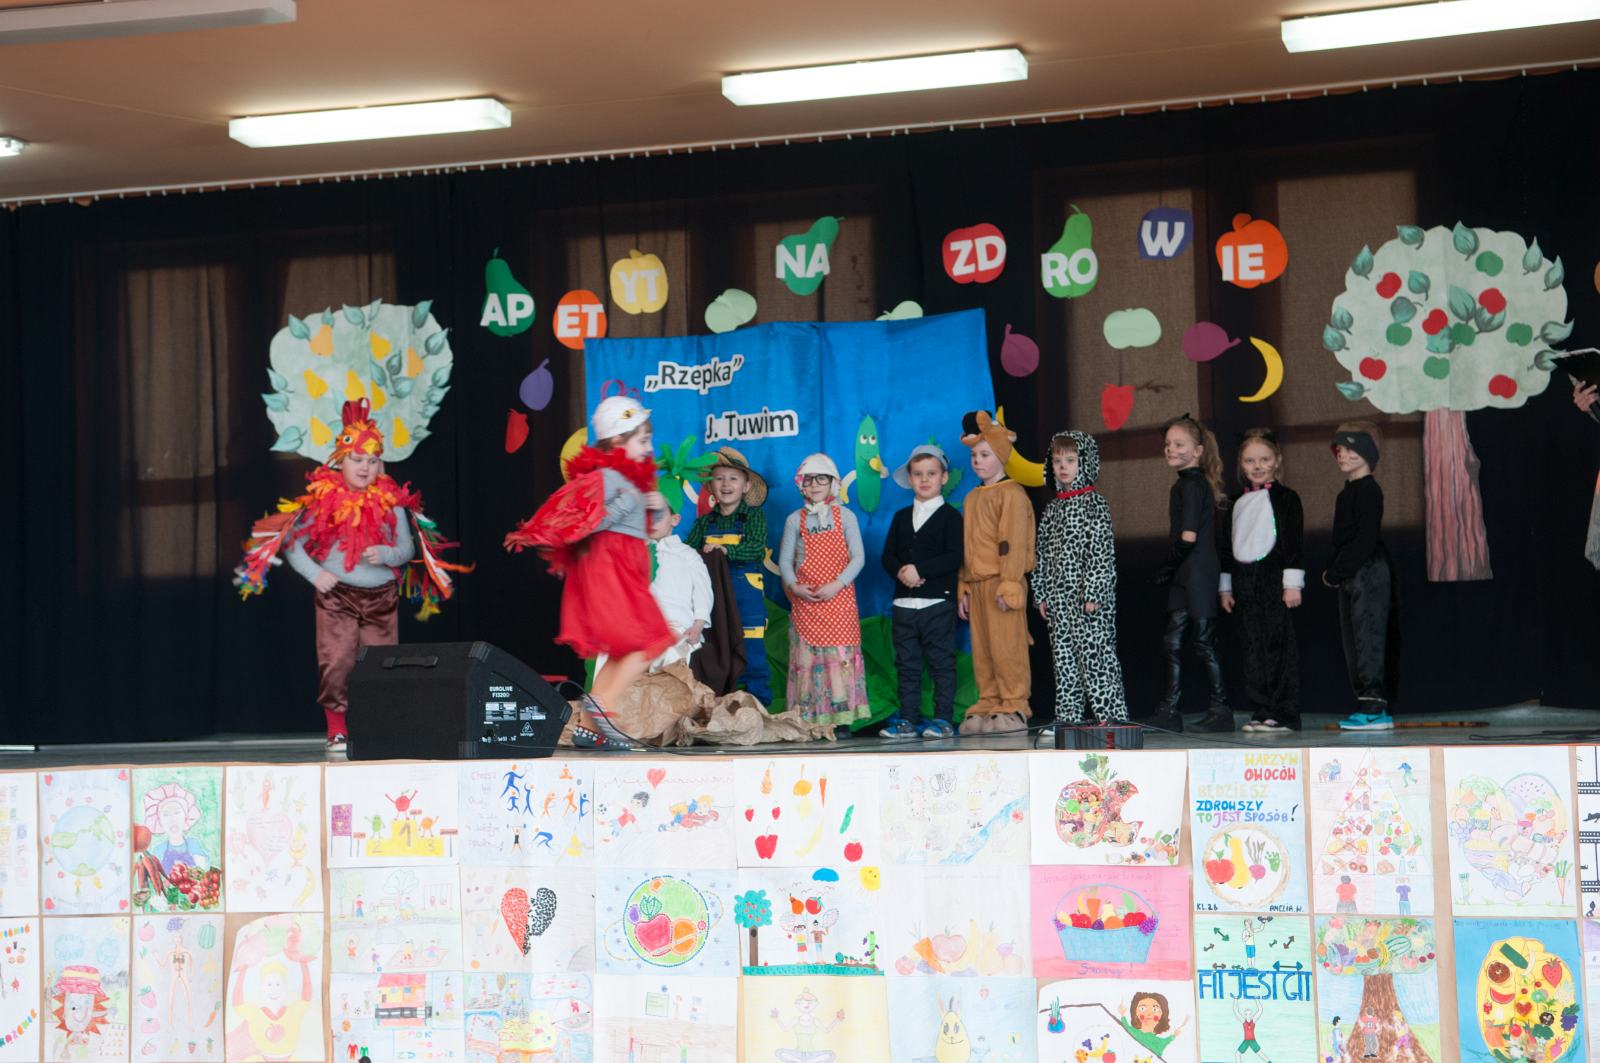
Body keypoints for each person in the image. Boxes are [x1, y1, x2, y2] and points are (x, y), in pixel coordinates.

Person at [234, 398, 467, 756]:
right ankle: (337, 731)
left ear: (380, 465)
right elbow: (292, 543)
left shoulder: (392, 502)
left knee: (381, 665)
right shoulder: (322, 501)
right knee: (337, 662)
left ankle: (377, 727)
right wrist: (316, 574)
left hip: (381, 597)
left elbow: (407, 548)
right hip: (337, 597)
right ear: (340, 461)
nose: (365, 467)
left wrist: (387, 554)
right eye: (357, 460)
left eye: (372, 461)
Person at [504, 395, 676, 749]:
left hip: (625, 569)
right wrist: (628, 503)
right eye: (642, 440)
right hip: (611, 570)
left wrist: (653, 507)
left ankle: (588, 725)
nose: (649, 448)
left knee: (624, 649)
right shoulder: (608, 478)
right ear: (618, 441)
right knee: (650, 639)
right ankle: (602, 704)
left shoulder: (626, 480)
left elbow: (644, 527)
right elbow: (584, 520)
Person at [1034, 429, 1127, 728]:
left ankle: (1110, 717)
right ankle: (1067, 720)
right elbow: (1041, 555)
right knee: (1064, 660)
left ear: (1084, 463)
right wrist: (1041, 594)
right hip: (1059, 600)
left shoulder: (1094, 504)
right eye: (1057, 461)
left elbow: (1101, 553)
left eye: (1071, 460)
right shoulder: (1052, 510)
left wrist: (1094, 593)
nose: (1063, 467)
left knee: (1096, 656)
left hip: (1088, 601)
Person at [1219, 428, 1305, 734]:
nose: (1257, 466)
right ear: (1241, 464)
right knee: (1252, 646)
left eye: (1264, 459)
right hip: (1244, 582)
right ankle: (1262, 708)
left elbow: (1293, 543)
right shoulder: (1233, 503)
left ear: (1277, 460)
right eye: (1250, 461)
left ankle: (1284, 712)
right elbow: (1226, 547)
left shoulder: (1287, 498)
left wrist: (1292, 583)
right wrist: (1226, 586)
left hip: (1273, 580)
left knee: (1277, 645)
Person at [1149, 413, 1231, 734]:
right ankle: (1169, 710)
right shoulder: (1182, 484)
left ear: (1197, 450)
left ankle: (1221, 709)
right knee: (1172, 641)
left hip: (1197, 571)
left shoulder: (1194, 486)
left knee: (1204, 641)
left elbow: (1188, 537)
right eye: (1168, 444)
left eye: (1179, 444)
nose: (1171, 449)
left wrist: (1168, 566)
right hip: (1186, 572)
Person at [778, 454, 871, 735]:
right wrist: (794, 586)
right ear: (801, 485)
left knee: (838, 662)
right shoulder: (794, 520)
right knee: (806, 662)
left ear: (833, 482)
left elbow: (858, 557)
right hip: (806, 604)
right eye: (809, 480)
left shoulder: (846, 516)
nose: (815, 484)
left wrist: (837, 584)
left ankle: (840, 720)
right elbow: (785, 561)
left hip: (839, 601)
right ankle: (808, 718)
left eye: (821, 478)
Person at [957, 411, 1036, 734]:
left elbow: (1013, 543)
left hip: (1002, 582)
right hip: (977, 584)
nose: (977, 461)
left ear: (1001, 456)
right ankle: (988, 701)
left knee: (1007, 647)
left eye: (985, 455)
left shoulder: (1012, 494)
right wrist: (964, 584)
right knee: (984, 649)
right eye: (974, 456)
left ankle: (1014, 704)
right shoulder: (972, 497)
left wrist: (1010, 583)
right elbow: (967, 544)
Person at [878, 444, 964, 740]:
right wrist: (902, 571)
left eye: (931, 473)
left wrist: (920, 570)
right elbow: (887, 556)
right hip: (904, 603)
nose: (924, 479)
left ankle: (942, 719)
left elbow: (955, 556)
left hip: (937, 602)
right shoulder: (901, 517)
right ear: (910, 479)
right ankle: (908, 719)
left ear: (943, 477)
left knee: (941, 662)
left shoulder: (951, 517)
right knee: (907, 664)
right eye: (918, 474)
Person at [684, 447, 772, 702]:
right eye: (719, 478)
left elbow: (755, 549)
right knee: (718, 648)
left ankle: (758, 706)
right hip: (714, 599)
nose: (726, 484)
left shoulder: (753, 517)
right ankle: (717, 706)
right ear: (711, 486)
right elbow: (688, 555)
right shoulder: (703, 523)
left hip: (746, 597)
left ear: (746, 486)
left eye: (733, 478)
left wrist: (725, 550)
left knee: (752, 650)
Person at [1323, 421, 1395, 732]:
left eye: (1350, 447)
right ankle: (1366, 702)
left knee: (1368, 635)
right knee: (1353, 638)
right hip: (1351, 574)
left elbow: (1364, 540)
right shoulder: (1346, 493)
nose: (1342, 454)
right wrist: (1337, 571)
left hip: (1368, 571)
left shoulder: (1369, 491)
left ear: (1367, 452)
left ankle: (1374, 706)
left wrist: (1336, 571)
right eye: (1339, 448)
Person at [597, 505, 713, 673]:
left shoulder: (688, 555)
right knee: (609, 650)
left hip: (675, 624)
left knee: (667, 652)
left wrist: (698, 626)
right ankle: (607, 690)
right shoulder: (633, 553)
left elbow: (703, 593)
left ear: (674, 519)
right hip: (638, 625)